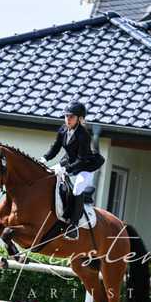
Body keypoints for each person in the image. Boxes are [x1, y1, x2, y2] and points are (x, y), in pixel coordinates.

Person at [41, 100, 105, 239]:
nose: (67, 119)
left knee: (77, 189)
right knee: (46, 175)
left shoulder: (84, 135)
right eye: (66, 116)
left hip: (86, 166)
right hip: (69, 162)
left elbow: (81, 161)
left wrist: (65, 169)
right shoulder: (63, 129)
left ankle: (74, 226)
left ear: (80, 119)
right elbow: (55, 147)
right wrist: (44, 158)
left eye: (71, 117)